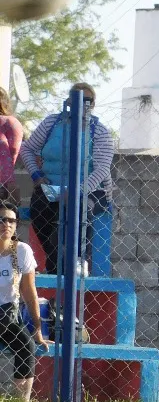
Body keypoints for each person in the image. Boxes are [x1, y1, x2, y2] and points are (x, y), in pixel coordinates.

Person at [20, 83, 115, 275]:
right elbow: (27, 148)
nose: (81, 105)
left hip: (88, 189)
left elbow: (101, 169)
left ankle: (79, 260)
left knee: (80, 211)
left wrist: (77, 191)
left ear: (93, 104)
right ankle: (56, 264)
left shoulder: (100, 131)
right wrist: (37, 176)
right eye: (76, 99)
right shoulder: (51, 124)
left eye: (87, 101)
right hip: (50, 187)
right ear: (68, 101)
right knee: (40, 211)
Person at [0, 203, 50, 402]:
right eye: (2, 219)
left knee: (26, 345)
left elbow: (29, 292)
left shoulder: (21, 251)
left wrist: (38, 328)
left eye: (11, 220)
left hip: (6, 316)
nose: (6, 224)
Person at [0, 87, 24, 207]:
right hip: (5, 184)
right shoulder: (12, 122)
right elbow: (11, 155)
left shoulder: (3, 122)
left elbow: (4, 155)